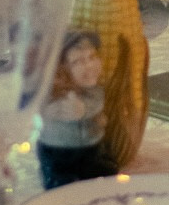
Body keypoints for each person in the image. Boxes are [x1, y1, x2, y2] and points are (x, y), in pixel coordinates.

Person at [36, 30, 113, 188]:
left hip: (91, 145)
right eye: (78, 62)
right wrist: (60, 110)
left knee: (103, 171)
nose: (89, 65)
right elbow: (40, 108)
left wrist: (84, 110)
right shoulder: (51, 93)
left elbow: (96, 103)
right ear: (60, 69)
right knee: (61, 180)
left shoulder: (95, 91)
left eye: (92, 57)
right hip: (58, 148)